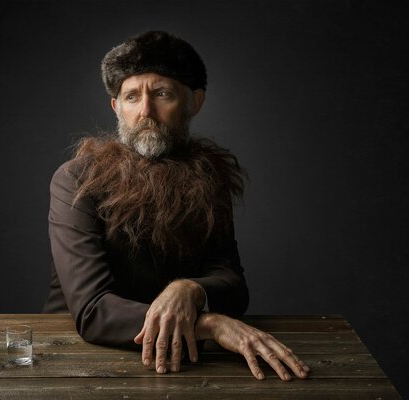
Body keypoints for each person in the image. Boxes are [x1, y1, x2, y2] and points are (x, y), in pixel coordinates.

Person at [43, 30, 310, 381]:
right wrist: (209, 323)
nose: (145, 111)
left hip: (182, 360)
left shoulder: (210, 178)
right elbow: (92, 309)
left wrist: (189, 289)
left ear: (194, 103)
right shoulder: (76, 179)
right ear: (116, 107)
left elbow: (231, 281)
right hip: (76, 357)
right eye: (131, 97)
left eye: (162, 94)